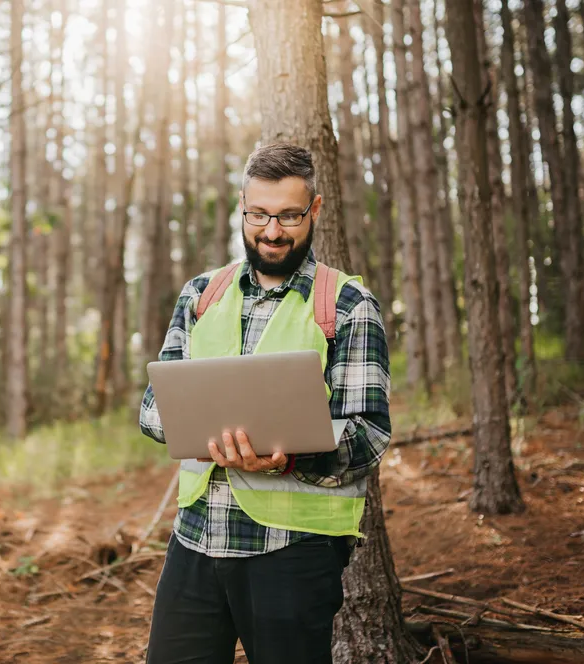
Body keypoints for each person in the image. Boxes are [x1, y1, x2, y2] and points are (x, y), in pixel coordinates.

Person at [139, 142, 392, 663]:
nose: (271, 231)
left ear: (315, 210)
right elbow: (151, 408)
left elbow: (369, 433)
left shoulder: (346, 305)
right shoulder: (201, 294)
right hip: (196, 540)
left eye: (288, 216)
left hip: (293, 552)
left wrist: (290, 455)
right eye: (258, 214)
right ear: (242, 206)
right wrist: (194, 427)